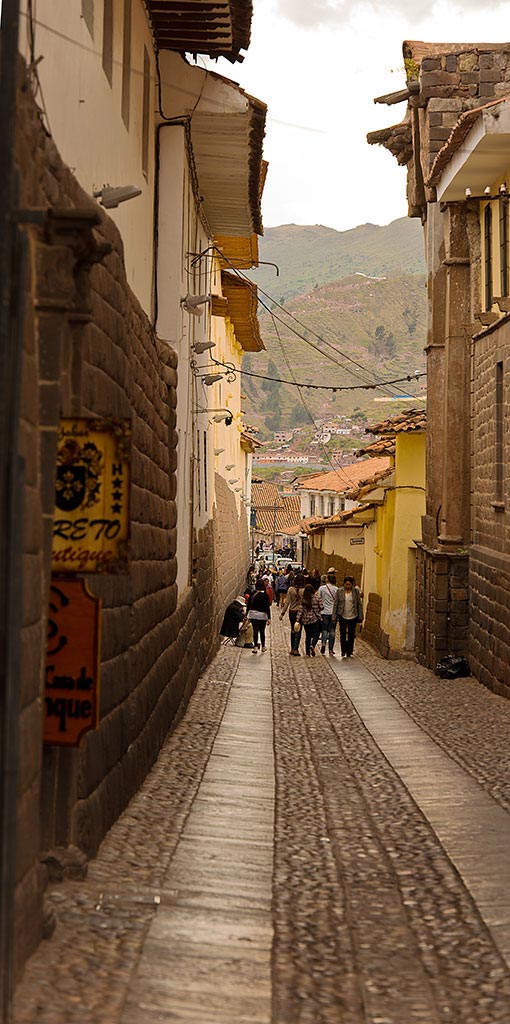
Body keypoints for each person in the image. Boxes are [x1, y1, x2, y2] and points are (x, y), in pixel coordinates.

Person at [334, 576, 363, 658]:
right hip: (342, 615)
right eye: (346, 584)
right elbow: (336, 604)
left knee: (351, 634)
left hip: (353, 615)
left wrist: (360, 615)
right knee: (342, 634)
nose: (348, 586)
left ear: (352, 585)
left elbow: (358, 604)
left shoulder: (355, 592)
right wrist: (334, 615)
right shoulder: (339, 591)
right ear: (344, 584)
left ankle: (349, 651)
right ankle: (343, 650)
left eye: (349, 584)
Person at [280, 572, 305, 656]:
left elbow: (287, 602)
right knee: (299, 630)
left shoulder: (291, 589)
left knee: (293, 629)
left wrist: (282, 613)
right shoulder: (304, 591)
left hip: (292, 612)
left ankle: (292, 648)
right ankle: (296, 648)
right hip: (300, 612)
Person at [295, 583, 323, 656]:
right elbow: (321, 607)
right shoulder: (317, 598)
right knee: (316, 634)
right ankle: (313, 645)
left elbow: (300, 610)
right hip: (315, 619)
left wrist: (297, 619)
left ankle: (307, 652)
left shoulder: (303, 599)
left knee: (308, 636)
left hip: (306, 620)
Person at [317, 569, 339, 655]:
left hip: (323, 612)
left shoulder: (322, 588)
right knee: (332, 631)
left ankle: (323, 644)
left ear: (327, 580)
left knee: (324, 630)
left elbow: (318, 599)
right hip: (333, 613)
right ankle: (330, 649)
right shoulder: (336, 589)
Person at [246, 579, 271, 653]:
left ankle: (255, 647)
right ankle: (263, 646)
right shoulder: (265, 595)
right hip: (262, 616)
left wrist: (247, 615)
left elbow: (249, 605)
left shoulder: (253, 594)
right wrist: (269, 618)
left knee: (255, 630)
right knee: (262, 631)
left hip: (253, 615)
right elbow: (267, 608)